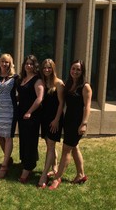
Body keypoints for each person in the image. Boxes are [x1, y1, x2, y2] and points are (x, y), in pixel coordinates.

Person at [49, 60, 92, 190]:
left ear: (82, 71)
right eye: (73, 68)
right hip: (68, 120)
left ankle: (57, 179)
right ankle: (81, 174)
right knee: (74, 147)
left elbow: (87, 106)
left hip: (77, 122)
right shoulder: (69, 84)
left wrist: (84, 123)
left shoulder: (85, 86)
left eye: (78, 69)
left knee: (66, 150)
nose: (75, 71)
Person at [37, 59, 64, 188]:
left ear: (53, 68)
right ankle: (55, 167)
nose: (46, 70)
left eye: (49, 68)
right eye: (44, 68)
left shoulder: (58, 83)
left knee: (51, 145)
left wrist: (56, 120)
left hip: (55, 119)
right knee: (49, 144)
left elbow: (61, 104)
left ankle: (44, 175)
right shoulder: (43, 82)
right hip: (45, 118)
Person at [17, 54, 44, 183]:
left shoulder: (37, 80)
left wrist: (29, 111)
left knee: (30, 141)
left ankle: (28, 167)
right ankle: (26, 162)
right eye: (26, 63)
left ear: (35, 66)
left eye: (31, 64)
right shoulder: (23, 79)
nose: (28, 66)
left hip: (31, 115)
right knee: (23, 139)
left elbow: (39, 98)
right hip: (21, 114)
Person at [0, 53, 18, 179]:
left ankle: (4, 165)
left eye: (7, 62)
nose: (4, 64)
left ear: (10, 63)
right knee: (0, 136)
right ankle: (8, 159)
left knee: (8, 137)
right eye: (3, 61)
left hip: (10, 111)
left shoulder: (15, 77)